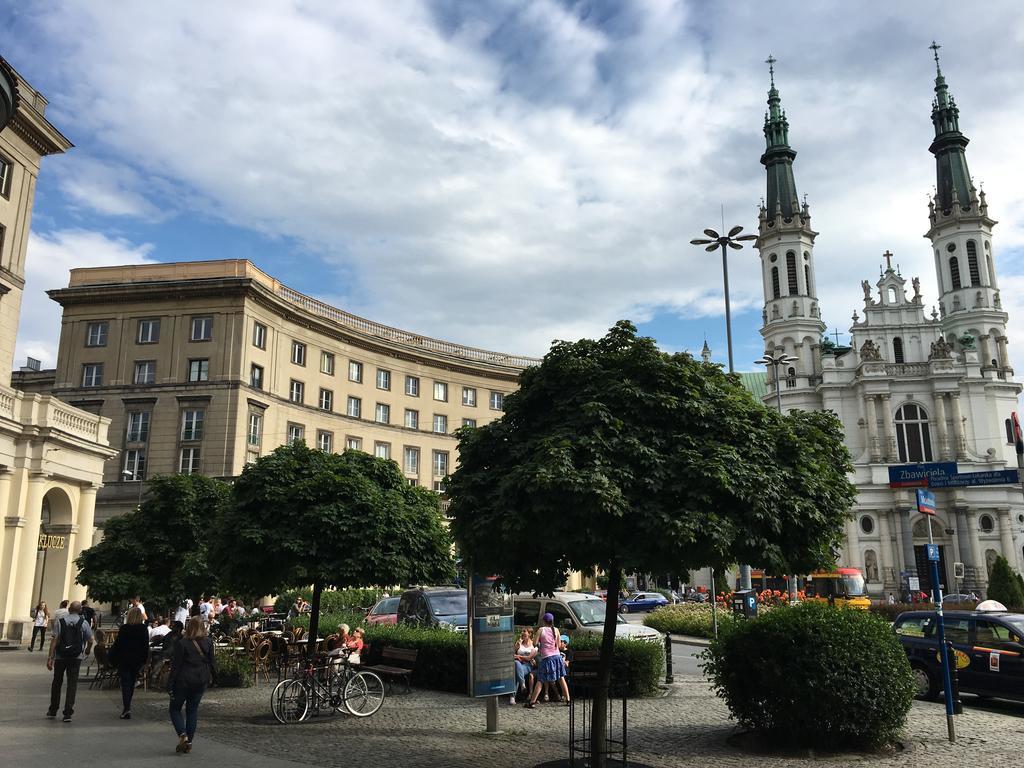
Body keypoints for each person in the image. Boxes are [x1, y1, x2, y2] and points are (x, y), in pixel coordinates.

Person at [168, 616, 216, 753]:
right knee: (192, 710)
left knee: (175, 709)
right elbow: (212, 662)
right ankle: (189, 742)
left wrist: (170, 683)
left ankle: (182, 734)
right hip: (200, 680)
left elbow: (176, 666)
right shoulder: (208, 642)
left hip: (183, 680)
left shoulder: (182, 643)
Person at [46, 600, 94, 722]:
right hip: (76, 657)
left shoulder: (60, 622)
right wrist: (87, 650)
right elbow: (90, 639)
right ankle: (67, 713)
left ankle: (53, 709)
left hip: (60, 656)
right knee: (72, 684)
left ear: (69, 610)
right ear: (80, 611)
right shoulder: (83, 623)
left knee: (57, 682)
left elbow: (54, 640)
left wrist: (50, 657)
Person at [109, 606, 149, 719]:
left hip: (124, 659)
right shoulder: (143, 629)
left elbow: (118, 644)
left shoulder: (125, 628)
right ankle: (127, 705)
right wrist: (145, 660)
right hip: (137, 660)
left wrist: (113, 658)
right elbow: (145, 646)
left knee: (126, 683)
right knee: (131, 683)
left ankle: (127, 707)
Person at [525, 613, 570, 708]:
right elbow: (558, 645)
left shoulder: (541, 630)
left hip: (546, 658)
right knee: (561, 678)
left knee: (541, 679)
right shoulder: (556, 630)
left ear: (544, 621)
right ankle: (568, 699)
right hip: (557, 657)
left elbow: (534, 643)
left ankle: (532, 702)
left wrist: (541, 645)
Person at [511, 628, 536, 705]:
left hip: (528, 665)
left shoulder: (533, 644)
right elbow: (512, 654)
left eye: (524, 631)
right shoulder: (519, 643)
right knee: (516, 664)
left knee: (517, 672)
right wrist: (516, 646)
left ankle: (512, 697)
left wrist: (519, 656)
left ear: (530, 634)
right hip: (518, 664)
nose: (522, 633)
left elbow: (530, 658)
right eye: (522, 631)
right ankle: (522, 684)